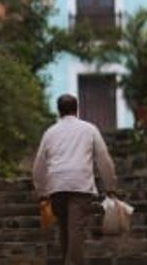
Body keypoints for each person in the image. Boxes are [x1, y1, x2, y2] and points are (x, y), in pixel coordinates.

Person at [32, 94, 118, 265]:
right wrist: (110, 187)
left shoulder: (50, 132)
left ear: (59, 111)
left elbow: (39, 165)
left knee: (65, 230)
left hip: (56, 186)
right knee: (76, 231)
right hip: (80, 186)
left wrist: (42, 192)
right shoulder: (89, 129)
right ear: (77, 109)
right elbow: (103, 159)